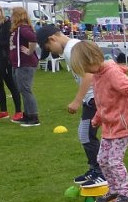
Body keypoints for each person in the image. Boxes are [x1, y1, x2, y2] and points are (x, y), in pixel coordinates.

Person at [68, 41, 128, 202]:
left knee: (114, 161)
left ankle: (125, 194)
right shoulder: (97, 76)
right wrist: (97, 118)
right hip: (109, 127)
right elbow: (103, 102)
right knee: (102, 159)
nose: (86, 72)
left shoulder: (112, 74)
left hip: (122, 125)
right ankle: (114, 190)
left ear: (93, 59)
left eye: (85, 67)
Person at [36, 25, 107, 187]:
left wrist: (77, 100)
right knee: (86, 134)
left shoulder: (70, 50)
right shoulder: (73, 45)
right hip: (93, 98)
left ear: (53, 39)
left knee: (86, 134)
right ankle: (95, 169)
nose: (52, 52)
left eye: (49, 48)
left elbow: (88, 74)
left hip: (94, 98)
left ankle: (100, 173)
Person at [8, 6, 41, 127]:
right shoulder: (17, 29)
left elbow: (33, 38)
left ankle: (33, 116)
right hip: (18, 63)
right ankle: (27, 114)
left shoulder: (23, 29)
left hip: (25, 64)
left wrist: (30, 51)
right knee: (22, 89)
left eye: (12, 15)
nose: (11, 18)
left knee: (26, 89)